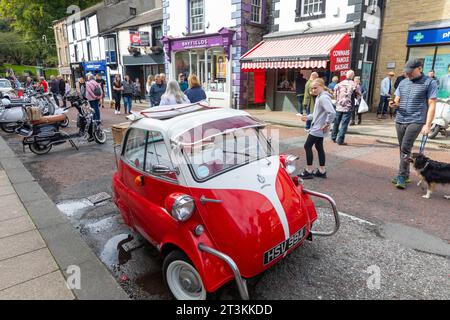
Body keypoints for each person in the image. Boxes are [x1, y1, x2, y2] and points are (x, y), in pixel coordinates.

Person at [389, 59, 437, 190]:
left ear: (419, 68)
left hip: (416, 120)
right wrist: (393, 104)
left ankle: (402, 176)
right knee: (403, 148)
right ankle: (405, 173)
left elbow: (432, 104)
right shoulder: (403, 82)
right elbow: (397, 99)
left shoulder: (429, 82)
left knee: (405, 147)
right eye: (407, 72)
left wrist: (428, 125)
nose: (408, 74)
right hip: (400, 119)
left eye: (411, 72)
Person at [298, 78, 336, 179]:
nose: (313, 90)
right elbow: (317, 114)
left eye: (315, 88)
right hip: (319, 127)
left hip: (318, 128)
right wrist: (308, 117)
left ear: (322, 86)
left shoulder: (323, 98)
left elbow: (332, 112)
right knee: (319, 147)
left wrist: (327, 123)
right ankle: (322, 171)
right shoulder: (320, 96)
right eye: (312, 88)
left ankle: (309, 170)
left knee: (307, 146)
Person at [332, 70, 360, 146]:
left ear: (346, 75)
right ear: (353, 76)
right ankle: (340, 140)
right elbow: (358, 95)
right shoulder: (355, 85)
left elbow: (334, 94)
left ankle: (333, 137)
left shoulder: (339, 84)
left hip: (339, 106)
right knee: (344, 124)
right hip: (348, 107)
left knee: (336, 122)